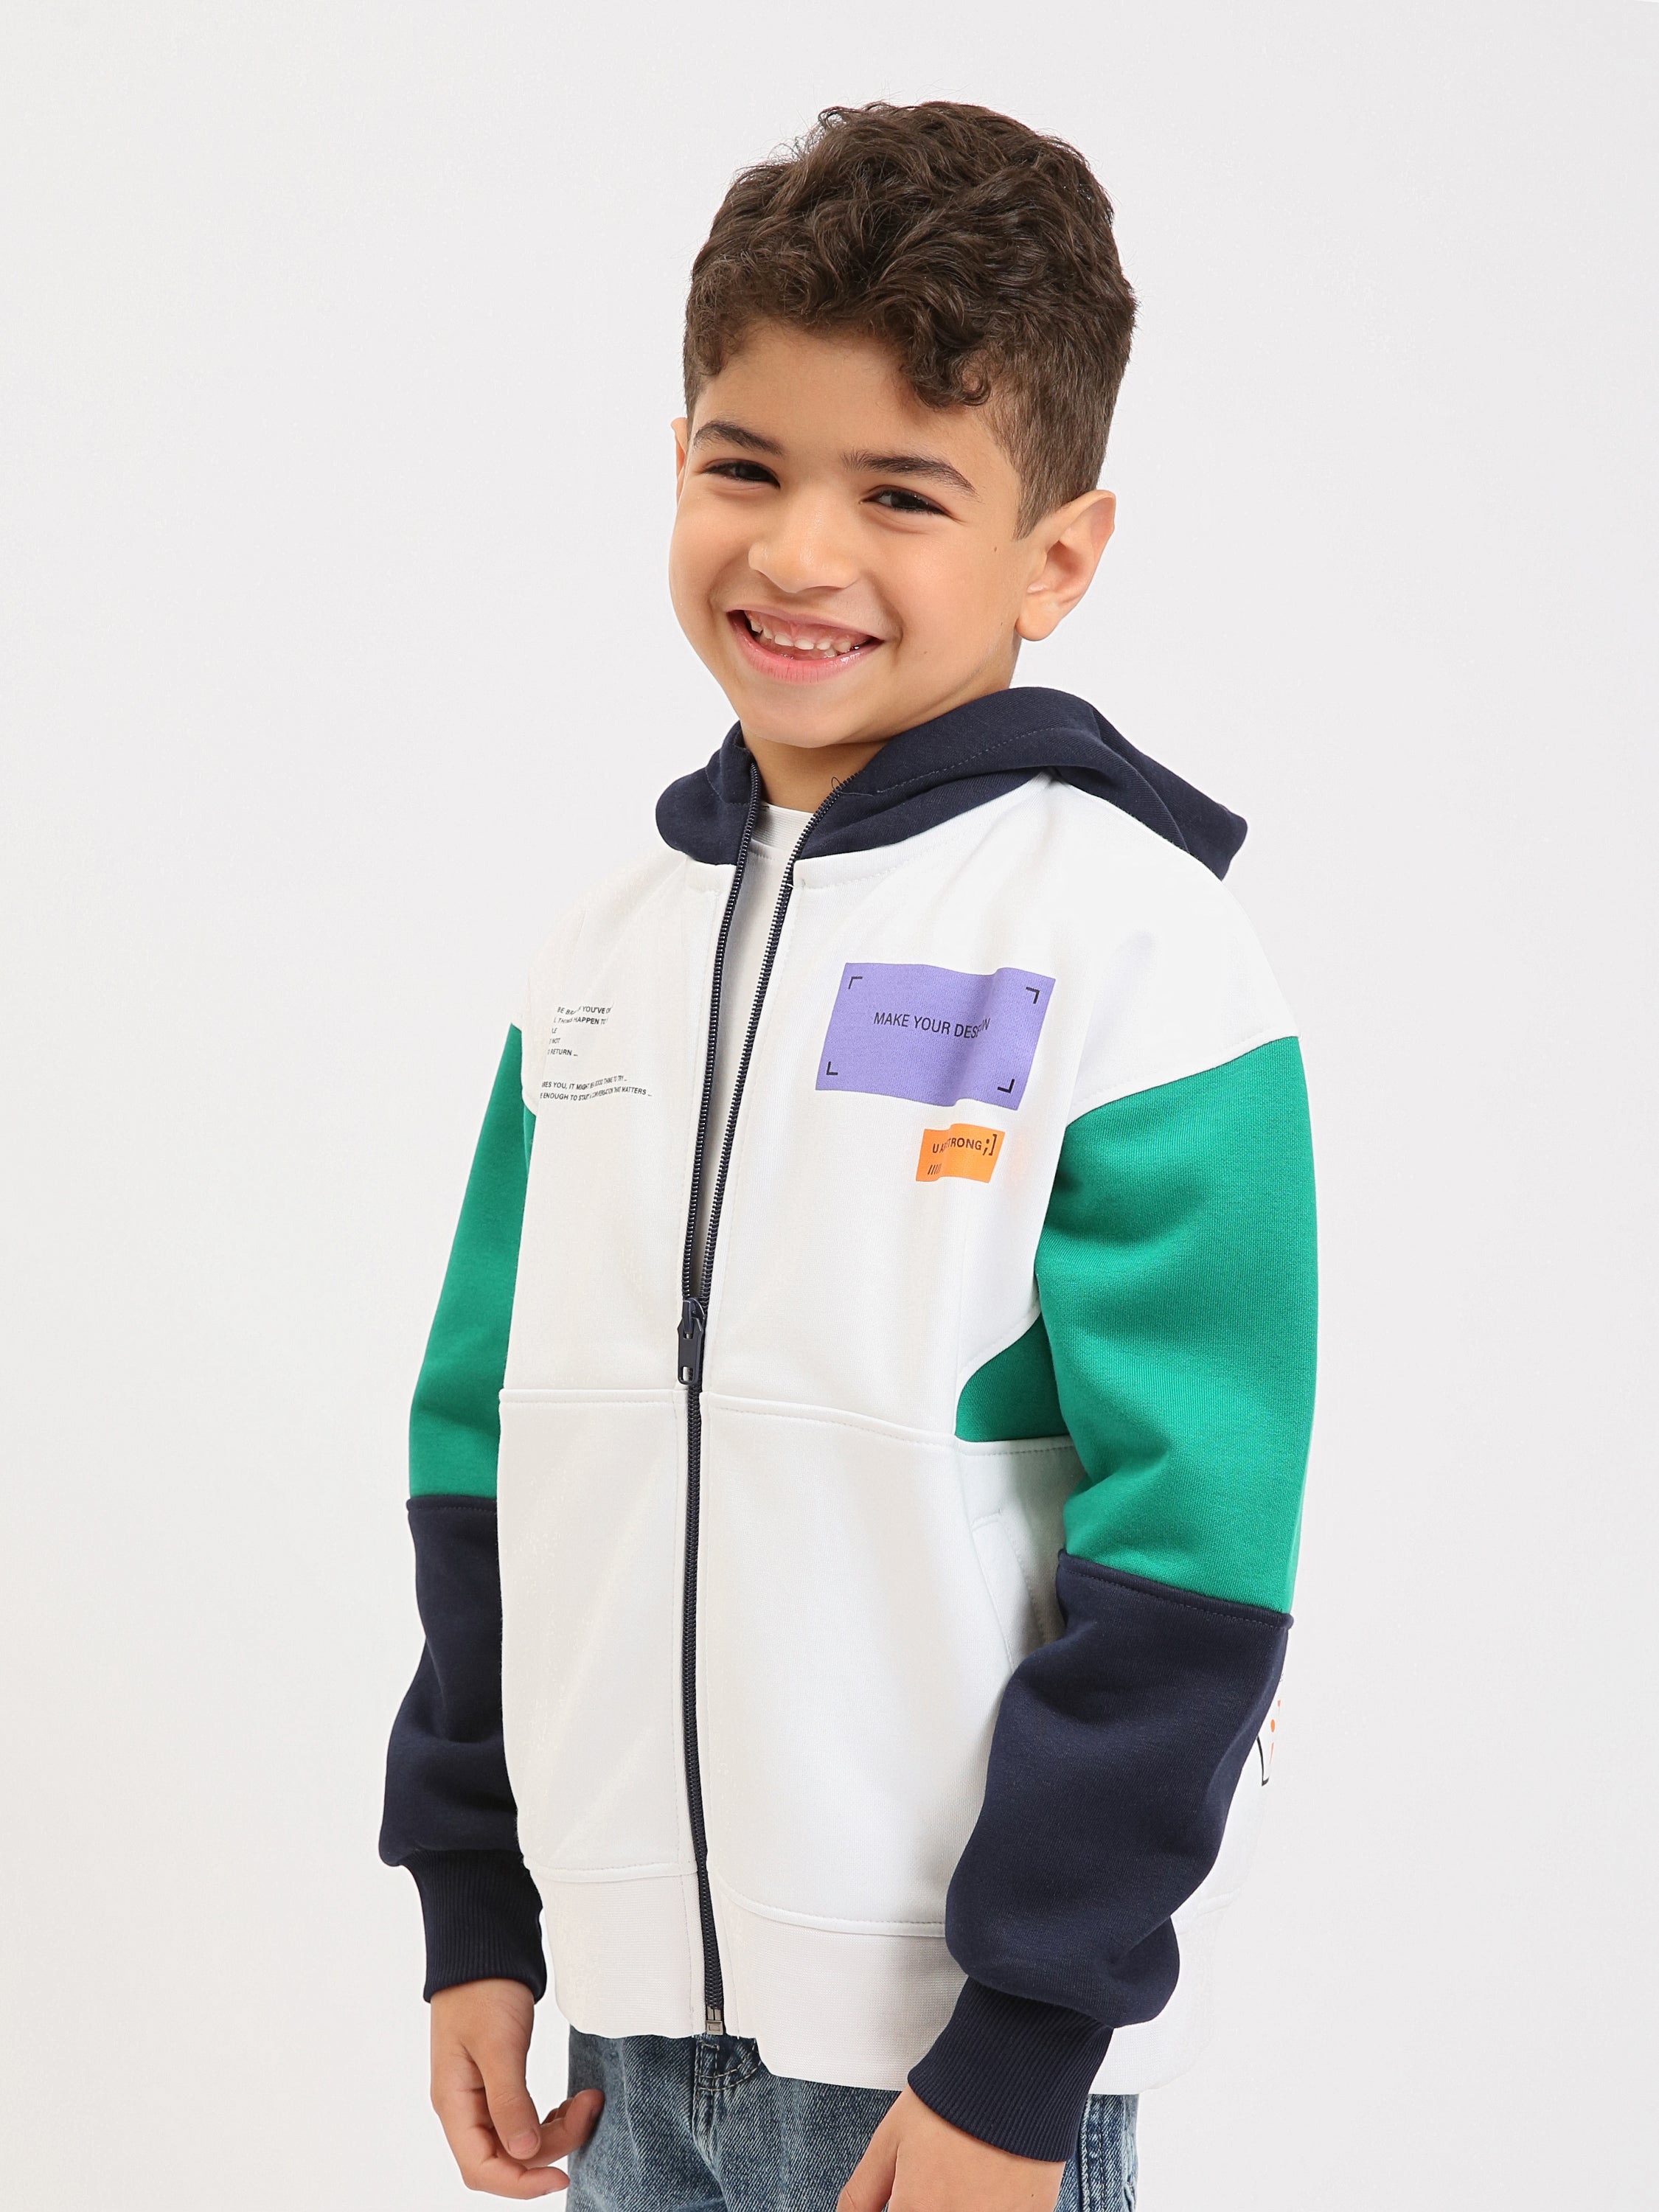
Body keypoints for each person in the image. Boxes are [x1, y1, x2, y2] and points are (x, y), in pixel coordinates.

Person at [380, 100, 1317, 2212]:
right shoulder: (604, 954)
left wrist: (1024, 2042)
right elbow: (486, 1450)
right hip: (625, 2037)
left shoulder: (1132, 949)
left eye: (901, 491)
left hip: (945, 2062)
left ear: (1056, 554)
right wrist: (477, 1903)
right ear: (676, 463)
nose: (800, 554)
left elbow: (1193, 1563)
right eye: (745, 467)